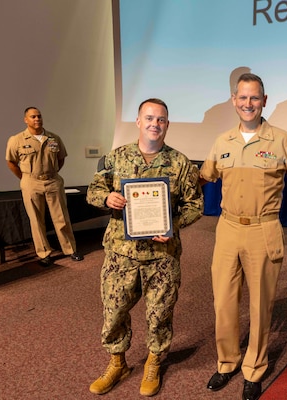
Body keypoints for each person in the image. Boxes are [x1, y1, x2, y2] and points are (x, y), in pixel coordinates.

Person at [200, 73, 287, 400]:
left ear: (264, 101)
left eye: (254, 98)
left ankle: (254, 367)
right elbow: (201, 179)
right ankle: (227, 362)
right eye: (242, 98)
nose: (248, 104)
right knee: (223, 302)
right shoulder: (222, 141)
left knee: (260, 305)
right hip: (227, 229)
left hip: (263, 229)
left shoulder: (282, 140)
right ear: (233, 100)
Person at [86, 98, 203, 397]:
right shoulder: (116, 158)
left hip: (162, 256)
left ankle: (154, 361)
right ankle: (117, 363)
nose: (155, 124)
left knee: (160, 313)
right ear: (138, 122)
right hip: (120, 255)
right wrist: (106, 199)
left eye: (161, 119)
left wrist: (172, 226)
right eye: (149, 118)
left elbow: (195, 205)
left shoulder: (181, 163)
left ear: (167, 124)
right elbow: (94, 191)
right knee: (113, 311)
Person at [5, 106, 84, 266]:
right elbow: (11, 162)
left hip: (53, 181)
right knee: (36, 220)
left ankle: (70, 249)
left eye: (39, 116)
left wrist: (52, 173)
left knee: (61, 218)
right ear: (25, 120)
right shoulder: (17, 140)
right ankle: (43, 253)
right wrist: (25, 178)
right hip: (31, 183)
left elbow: (61, 159)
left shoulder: (53, 138)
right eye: (33, 117)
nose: (37, 119)